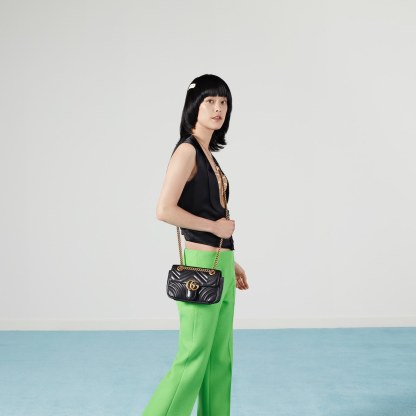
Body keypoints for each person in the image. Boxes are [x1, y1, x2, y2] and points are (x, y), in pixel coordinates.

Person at [142, 74, 249, 416]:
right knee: (192, 359)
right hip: (200, 267)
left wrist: (230, 259)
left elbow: (209, 209)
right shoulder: (187, 151)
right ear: (194, 107)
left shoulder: (208, 153)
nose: (218, 108)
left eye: (223, 102)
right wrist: (214, 227)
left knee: (220, 359)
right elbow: (164, 209)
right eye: (210, 101)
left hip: (219, 264)